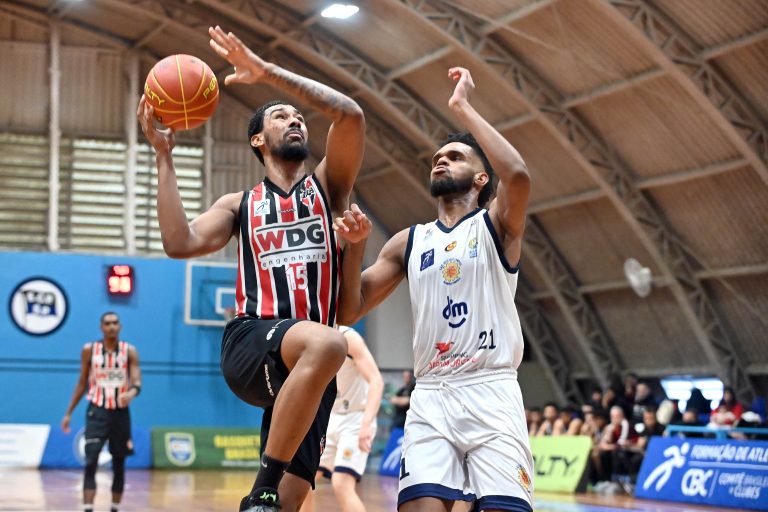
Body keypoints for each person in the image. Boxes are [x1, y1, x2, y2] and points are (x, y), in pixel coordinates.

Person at [137, 26, 365, 512]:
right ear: (257, 139)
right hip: (251, 340)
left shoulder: (328, 189)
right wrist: (163, 157)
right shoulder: (240, 204)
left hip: (311, 367)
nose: (296, 120)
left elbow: (350, 115)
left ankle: (267, 497)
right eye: (282, 115)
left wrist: (266, 72)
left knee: (290, 502)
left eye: (299, 117)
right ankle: (261, 487)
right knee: (332, 342)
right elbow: (179, 243)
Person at [332, 67, 534, 512]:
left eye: (456, 157)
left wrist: (462, 107)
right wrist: (355, 249)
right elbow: (349, 311)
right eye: (437, 157)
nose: (440, 160)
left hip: (491, 389)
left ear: (482, 179)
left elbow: (518, 175)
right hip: (430, 395)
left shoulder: (496, 224)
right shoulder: (408, 241)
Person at [60, 312, 141, 512]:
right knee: (91, 461)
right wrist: (68, 412)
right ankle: (88, 508)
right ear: (101, 327)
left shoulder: (129, 351)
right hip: (97, 412)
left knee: (119, 463)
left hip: (120, 413)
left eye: (115, 323)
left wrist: (132, 392)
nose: (111, 326)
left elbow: (137, 381)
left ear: (120, 326)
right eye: (107, 323)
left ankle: (114, 507)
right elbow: (82, 383)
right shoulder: (89, 350)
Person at [300, 326, 384, 512]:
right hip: (331, 417)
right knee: (303, 479)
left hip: (356, 417)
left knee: (341, 483)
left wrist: (366, 424)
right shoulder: (310, 337)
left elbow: (376, 381)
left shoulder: (348, 338)